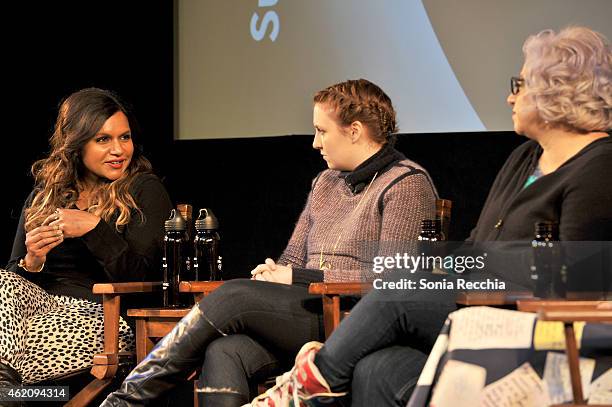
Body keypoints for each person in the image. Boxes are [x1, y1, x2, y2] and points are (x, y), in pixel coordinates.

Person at [247, 26, 612, 406]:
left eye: (520, 84)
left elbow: (575, 276)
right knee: (377, 365)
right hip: (478, 310)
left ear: (559, 88)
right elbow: (478, 242)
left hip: (534, 327)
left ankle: (306, 385)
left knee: (397, 289)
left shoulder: (600, 167)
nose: (510, 96)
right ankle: (317, 381)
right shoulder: (525, 158)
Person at [101, 78, 439, 406]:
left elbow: (392, 283)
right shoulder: (326, 182)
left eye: (322, 131)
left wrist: (297, 278)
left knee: (233, 294)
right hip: (306, 310)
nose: (315, 143)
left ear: (354, 131)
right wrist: (276, 271)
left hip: (354, 320)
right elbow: (293, 257)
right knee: (225, 349)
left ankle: (124, 401)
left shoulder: (407, 185)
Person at [0, 88, 173, 389]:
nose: (119, 150)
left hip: (104, 321)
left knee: (21, 342)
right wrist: (32, 263)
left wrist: (95, 229)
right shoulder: (45, 196)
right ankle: (11, 394)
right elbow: (11, 287)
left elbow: (146, 278)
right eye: (103, 140)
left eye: (125, 137)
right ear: (76, 145)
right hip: (40, 315)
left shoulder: (143, 190)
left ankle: (11, 393)